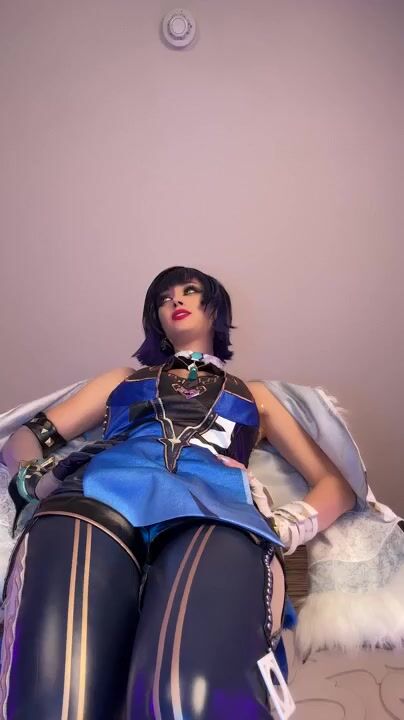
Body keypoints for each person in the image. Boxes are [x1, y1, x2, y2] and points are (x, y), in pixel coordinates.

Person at [0, 266, 356, 720]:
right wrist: (36, 478)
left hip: (216, 506)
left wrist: (283, 526)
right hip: (95, 492)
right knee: (55, 694)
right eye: (163, 298)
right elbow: (24, 439)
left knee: (184, 697)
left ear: (216, 309)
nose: (176, 300)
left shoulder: (256, 395)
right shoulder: (121, 380)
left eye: (190, 290)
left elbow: (336, 487)